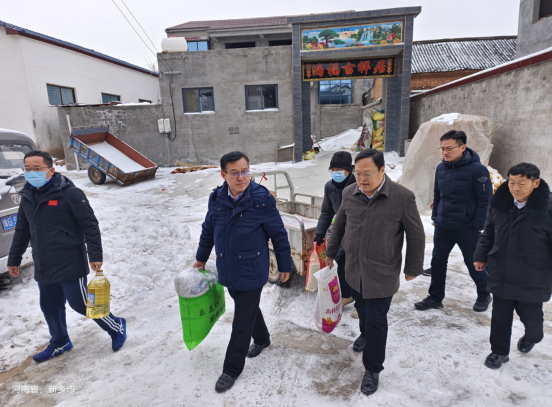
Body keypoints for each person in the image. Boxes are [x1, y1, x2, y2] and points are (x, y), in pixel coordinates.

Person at [7, 151, 126, 363]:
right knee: (50, 306)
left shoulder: (70, 193)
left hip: (69, 260)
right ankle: (60, 341)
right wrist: (14, 258)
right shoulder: (27, 196)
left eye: (37, 169)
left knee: (81, 303)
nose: (31, 173)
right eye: (27, 169)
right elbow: (22, 231)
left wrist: (95, 254)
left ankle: (116, 326)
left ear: (51, 170)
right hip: (43, 262)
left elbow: (89, 224)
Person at [325, 149, 425, 396]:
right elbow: (339, 225)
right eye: (358, 174)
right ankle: (365, 334)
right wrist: (331, 251)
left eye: (367, 174)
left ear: (382, 170)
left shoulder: (402, 197)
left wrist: (413, 267)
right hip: (354, 269)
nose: (362, 179)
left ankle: (372, 368)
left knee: (377, 320)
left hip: (382, 272)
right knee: (363, 310)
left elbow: (415, 234)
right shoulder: (350, 193)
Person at [193, 151, 291, 393]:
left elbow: (279, 235)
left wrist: (285, 265)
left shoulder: (261, 200)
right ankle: (262, 339)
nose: (241, 177)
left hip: (252, 270)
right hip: (228, 269)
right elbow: (208, 230)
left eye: (245, 171)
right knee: (248, 308)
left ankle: (231, 369)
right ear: (223, 174)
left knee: (241, 322)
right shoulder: (217, 198)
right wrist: (201, 258)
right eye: (234, 172)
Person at [474, 163, 552, 369]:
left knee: (532, 319)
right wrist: (480, 256)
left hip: (533, 275)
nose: (515, 188)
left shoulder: (547, 208)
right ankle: (499, 352)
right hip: (502, 270)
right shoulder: (499, 203)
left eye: (522, 183)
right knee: (500, 316)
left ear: (536, 183)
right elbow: (488, 233)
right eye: (512, 182)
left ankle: (533, 337)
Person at [414, 130, 493, 312]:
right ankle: (435, 298)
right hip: (443, 226)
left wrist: (478, 226)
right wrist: (435, 217)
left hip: (468, 228)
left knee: (474, 264)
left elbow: (485, 200)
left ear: (462, 147)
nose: (445, 152)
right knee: (437, 262)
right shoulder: (441, 168)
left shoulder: (478, 170)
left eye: (449, 148)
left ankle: (484, 294)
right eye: (442, 148)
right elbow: (438, 194)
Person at [314, 151, 357, 317]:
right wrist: (320, 233)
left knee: (357, 268)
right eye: (332, 169)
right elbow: (326, 212)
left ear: (349, 170)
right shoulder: (330, 187)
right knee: (338, 264)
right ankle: (347, 295)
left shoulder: (358, 185)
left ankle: (361, 303)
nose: (335, 173)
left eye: (339, 169)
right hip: (341, 232)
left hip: (357, 232)